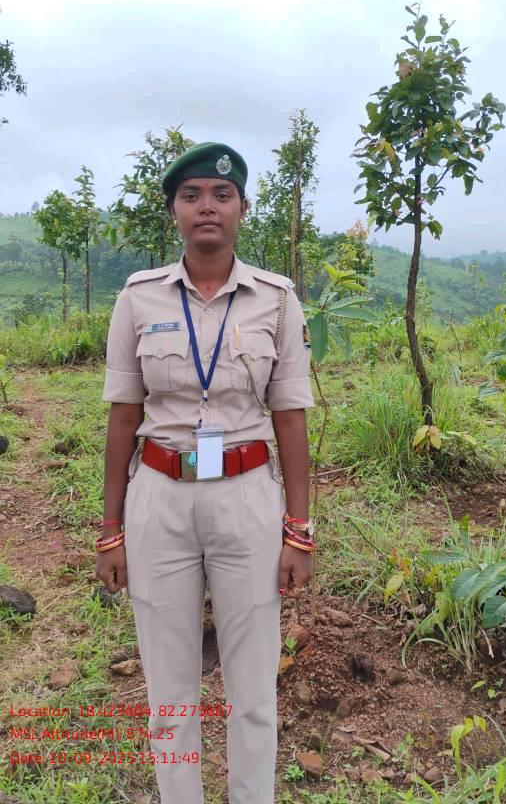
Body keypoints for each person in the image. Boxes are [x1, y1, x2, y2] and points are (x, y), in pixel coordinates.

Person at [96, 141, 316, 804]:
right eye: (191, 195)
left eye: (222, 194)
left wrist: (298, 529)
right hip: (158, 498)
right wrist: (110, 529)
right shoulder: (138, 299)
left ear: (243, 207)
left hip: (247, 499)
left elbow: (291, 419)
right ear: (174, 211)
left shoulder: (276, 301)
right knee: (169, 696)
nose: (207, 206)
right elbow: (122, 417)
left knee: (254, 695)